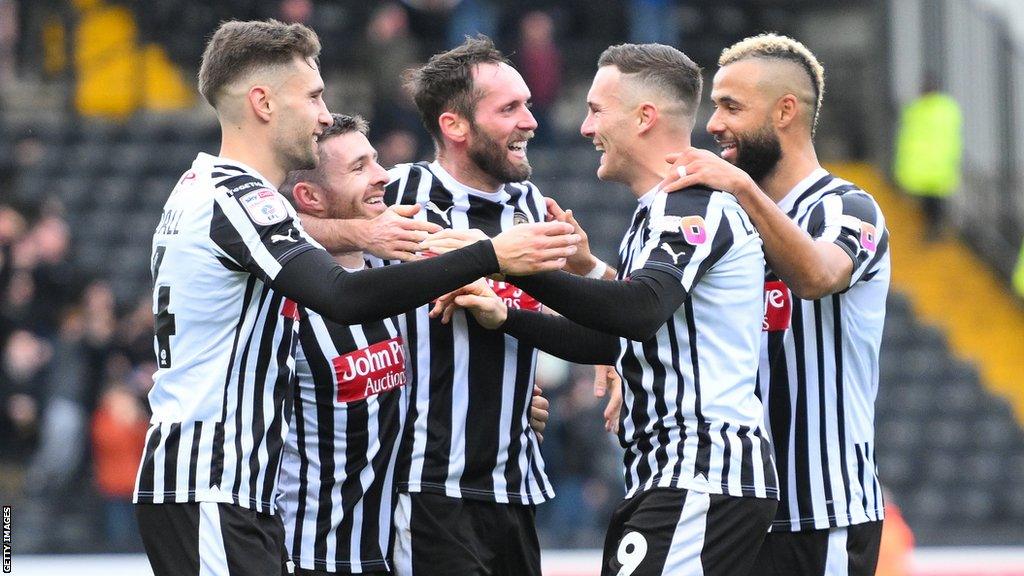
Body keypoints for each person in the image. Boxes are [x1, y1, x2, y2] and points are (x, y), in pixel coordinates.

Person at [131, 20, 578, 576]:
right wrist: (491, 254)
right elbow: (341, 295)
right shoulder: (235, 195)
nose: (323, 114)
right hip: (211, 479)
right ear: (263, 102)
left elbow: (318, 242)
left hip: (237, 489)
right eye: (314, 96)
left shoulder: (207, 190)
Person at [428, 42, 779, 576]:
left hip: (705, 473)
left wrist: (508, 263)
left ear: (644, 117)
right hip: (670, 475)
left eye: (596, 110)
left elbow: (638, 310)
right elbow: (613, 342)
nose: (587, 129)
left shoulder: (692, 204)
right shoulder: (655, 212)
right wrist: (510, 318)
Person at [302, 35, 604, 576]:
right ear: (455, 126)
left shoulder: (532, 206)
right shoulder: (401, 192)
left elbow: (578, 322)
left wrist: (602, 345)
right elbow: (279, 223)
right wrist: (362, 234)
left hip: (518, 486)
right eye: (510, 108)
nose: (530, 121)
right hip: (430, 488)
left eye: (528, 105)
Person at [274, 113, 554, 576]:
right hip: (303, 553)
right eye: (359, 167)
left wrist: (506, 406)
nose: (384, 175)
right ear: (310, 197)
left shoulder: (391, 276)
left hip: (387, 548)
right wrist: (359, 231)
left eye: (376, 160)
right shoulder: (285, 300)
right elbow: (258, 220)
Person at [660, 33, 891, 576]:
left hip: (821, 512)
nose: (713, 123)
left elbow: (816, 274)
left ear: (786, 111)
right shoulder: (728, 216)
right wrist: (588, 269)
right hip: (734, 509)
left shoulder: (847, 207)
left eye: (731, 107)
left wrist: (740, 188)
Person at [893, 74, 961, 239]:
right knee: (931, 204)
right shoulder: (944, 108)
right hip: (931, 167)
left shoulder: (919, 109)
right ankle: (935, 230)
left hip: (930, 166)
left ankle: (935, 230)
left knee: (933, 204)